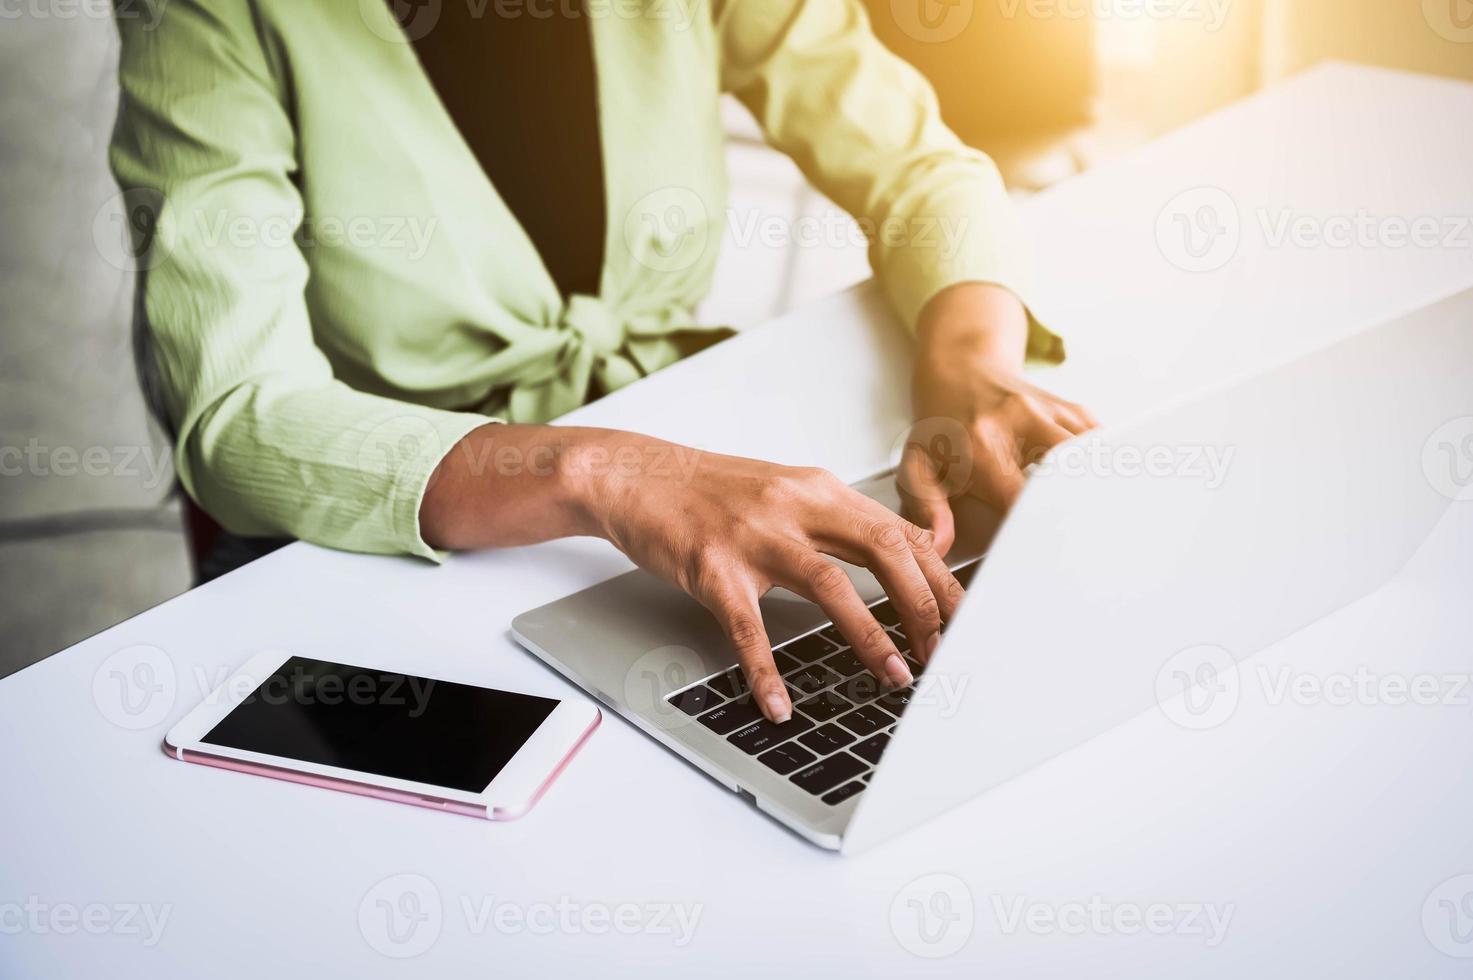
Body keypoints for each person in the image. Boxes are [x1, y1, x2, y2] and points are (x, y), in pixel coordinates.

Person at [110, 0, 1097, 725]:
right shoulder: (209, 16)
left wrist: (972, 361)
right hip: (405, 527)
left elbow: (919, 168)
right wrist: (604, 472)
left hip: (688, 449)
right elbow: (239, 412)